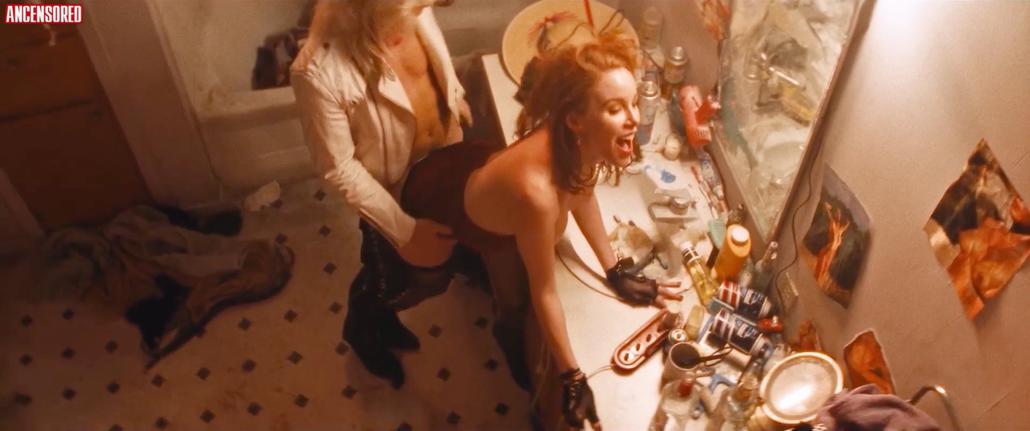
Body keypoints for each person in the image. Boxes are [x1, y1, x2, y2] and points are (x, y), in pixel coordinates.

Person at [401, 34, 683, 429]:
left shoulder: (577, 144)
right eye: (615, 108)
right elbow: (544, 290)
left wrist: (615, 270)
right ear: (576, 119)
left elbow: (583, 194)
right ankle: (506, 338)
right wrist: (571, 377)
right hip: (458, 206)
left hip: (484, 173)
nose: (634, 118)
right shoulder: (538, 198)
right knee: (510, 301)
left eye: (634, 102)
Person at [290, 0, 473, 388]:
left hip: (444, 167)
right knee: (395, 279)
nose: (427, 5)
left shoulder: (411, 7)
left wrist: (453, 95)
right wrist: (405, 231)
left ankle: (383, 317)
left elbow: (431, 63)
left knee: (439, 270)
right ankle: (361, 327)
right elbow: (338, 167)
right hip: (392, 193)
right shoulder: (318, 71)